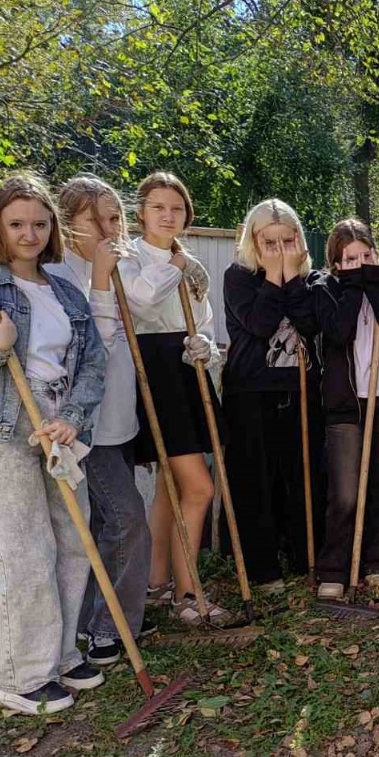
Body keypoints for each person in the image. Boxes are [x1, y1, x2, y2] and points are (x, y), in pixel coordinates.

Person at [0, 175, 108, 714]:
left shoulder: (63, 289)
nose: (29, 233)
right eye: (17, 223)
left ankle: (61, 658)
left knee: (71, 541)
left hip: (58, 426)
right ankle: (23, 676)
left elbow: (91, 363)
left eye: (39, 223)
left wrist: (74, 420)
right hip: (6, 426)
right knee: (26, 553)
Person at [115, 170, 231, 626]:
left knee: (170, 484)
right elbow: (140, 303)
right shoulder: (128, 259)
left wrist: (207, 348)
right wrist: (176, 266)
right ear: (140, 212)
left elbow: (202, 323)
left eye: (176, 208)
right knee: (199, 487)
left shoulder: (190, 262)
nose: (168, 215)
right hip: (151, 372)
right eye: (159, 207)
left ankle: (158, 583)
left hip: (184, 371)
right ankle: (188, 594)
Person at [48, 175, 152, 666]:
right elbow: (90, 347)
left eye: (117, 219)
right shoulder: (61, 279)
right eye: (100, 221)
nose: (113, 230)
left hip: (121, 420)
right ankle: (108, 624)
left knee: (111, 526)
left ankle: (114, 611)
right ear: (70, 228)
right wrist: (99, 282)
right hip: (87, 429)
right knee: (128, 523)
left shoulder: (116, 267)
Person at [221, 199, 323, 589]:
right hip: (251, 393)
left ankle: (304, 556)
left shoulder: (311, 279)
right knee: (254, 481)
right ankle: (263, 568)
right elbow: (261, 324)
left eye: (286, 240)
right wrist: (273, 277)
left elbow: (310, 324)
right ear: (253, 240)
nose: (279, 249)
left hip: (300, 391)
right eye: (269, 241)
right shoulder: (238, 277)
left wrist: (291, 277)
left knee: (302, 477)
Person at [310, 219, 379, 601]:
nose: (359, 263)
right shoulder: (326, 291)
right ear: (336, 263)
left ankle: (375, 561)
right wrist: (354, 287)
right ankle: (334, 567)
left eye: (365, 255)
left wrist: (374, 285)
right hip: (345, 404)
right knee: (346, 494)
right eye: (350, 259)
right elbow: (338, 332)